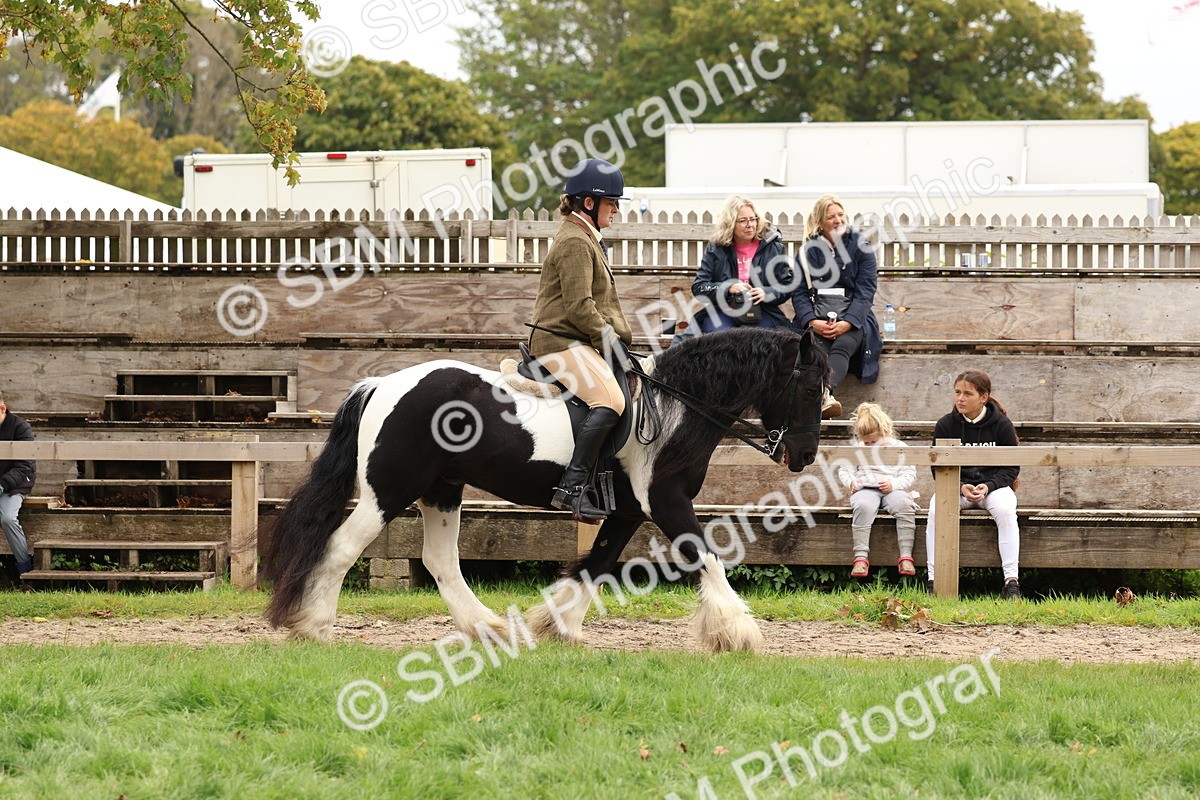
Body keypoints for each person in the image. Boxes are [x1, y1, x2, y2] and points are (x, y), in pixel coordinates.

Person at [529, 157, 633, 523]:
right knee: (611, 400)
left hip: (577, 340)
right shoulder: (575, 241)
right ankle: (571, 488)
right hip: (560, 341)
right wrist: (610, 340)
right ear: (588, 203)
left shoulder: (585, 236)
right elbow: (578, 307)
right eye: (612, 202)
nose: (617, 210)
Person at [925, 370, 1022, 600]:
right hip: (958, 487)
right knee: (936, 509)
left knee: (1007, 510)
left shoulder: (1002, 425)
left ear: (983, 397)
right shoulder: (945, 424)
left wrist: (988, 486)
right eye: (957, 392)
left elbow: (1011, 468)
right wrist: (960, 486)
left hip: (993, 488)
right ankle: (933, 580)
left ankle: (1012, 582)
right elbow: (936, 468)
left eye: (967, 393)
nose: (960, 398)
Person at [791, 194, 882, 419]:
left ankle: (824, 394)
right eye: (831, 217)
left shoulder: (862, 246)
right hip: (817, 317)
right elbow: (799, 291)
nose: (838, 220)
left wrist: (847, 323)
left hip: (853, 319)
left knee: (841, 345)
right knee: (815, 349)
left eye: (841, 215)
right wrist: (812, 321)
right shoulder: (806, 252)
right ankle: (818, 399)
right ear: (820, 222)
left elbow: (866, 291)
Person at [681, 195, 795, 337]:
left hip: (763, 310)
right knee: (720, 340)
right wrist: (728, 288)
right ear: (730, 224)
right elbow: (700, 286)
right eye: (743, 221)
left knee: (762, 341)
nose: (750, 225)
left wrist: (766, 292)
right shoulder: (716, 248)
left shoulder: (772, 247)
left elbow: (786, 284)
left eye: (753, 219)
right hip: (723, 310)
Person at [836, 403, 918, 579]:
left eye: (874, 441)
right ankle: (860, 557)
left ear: (885, 432)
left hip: (892, 488)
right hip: (866, 488)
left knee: (904, 505)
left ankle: (906, 555)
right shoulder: (857, 448)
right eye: (866, 442)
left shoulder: (899, 447)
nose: (870, 445)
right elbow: (844, 469)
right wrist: (852, 482)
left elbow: (909, 473)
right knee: (863, 505)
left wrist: (894, 484)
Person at [0, 392, 36, 582]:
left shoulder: (20, 427)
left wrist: (2, 484)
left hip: (16, 485)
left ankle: (25, 570)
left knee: (7, 518)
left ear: (2, 409)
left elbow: (25, 466)